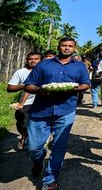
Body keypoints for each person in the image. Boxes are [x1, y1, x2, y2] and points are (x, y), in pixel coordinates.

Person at [24, 37, 90, 190]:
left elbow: (85, 84)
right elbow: (29, 85)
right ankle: (39, 160)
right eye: (64, 45)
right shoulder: (44, 64)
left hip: (66, 111)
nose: (66, 48)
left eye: (70, 46)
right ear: (58, 46)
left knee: (59, 146)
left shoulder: (79, 66)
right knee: (33, 147)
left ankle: (50, 180)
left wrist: (75, 89)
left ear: (74, 48)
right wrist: (40, 90)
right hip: (41, 110)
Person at [7, 51, 42, 150]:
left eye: (36, 59)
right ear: (27, 60)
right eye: (31, 59)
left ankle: (33, 142)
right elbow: (10, 88)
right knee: (21, 123)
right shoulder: (20, 72)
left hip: (41, 102)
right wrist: (25, 85)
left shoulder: (45, 71)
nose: (33, 61)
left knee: (36, 124)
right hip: (25, 103)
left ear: (41, 60)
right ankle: (24, 136)